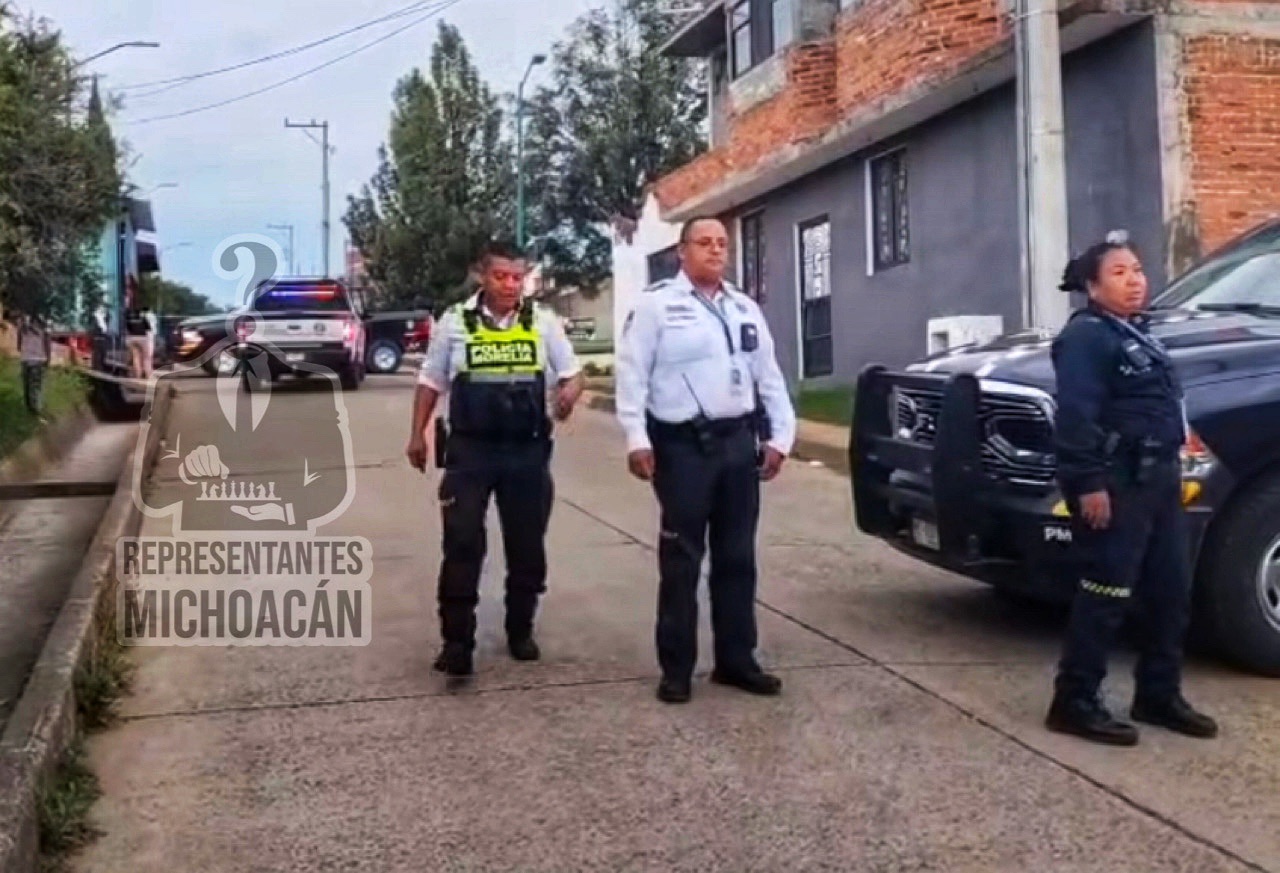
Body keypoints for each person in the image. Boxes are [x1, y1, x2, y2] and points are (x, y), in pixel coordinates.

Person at [614, 216, 797, 704]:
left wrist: (781, 437)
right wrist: (636, 438)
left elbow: (769, 375)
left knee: (737, 557)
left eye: (722, 244)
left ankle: (736, 660)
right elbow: (632, 376)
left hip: (738, 442)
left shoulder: (743, 307)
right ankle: (676, 669)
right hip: (682, 447)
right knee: (682, 560)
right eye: (704, 243)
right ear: (682, 251)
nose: (716, 251)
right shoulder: (656, 306)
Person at [1046, 230, 1218, 746]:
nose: (1134, 281)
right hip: (1116, 481)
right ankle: (1074, 700)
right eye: (1119, 273)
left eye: (1138, 271)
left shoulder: (1136, 332)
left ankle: (1158, 694)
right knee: (1106, 592)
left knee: (1170, 591)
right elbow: (1075, 417)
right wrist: (1088, 483)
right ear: (1092, 286)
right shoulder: (1086, 337)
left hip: (1159, 480)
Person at [406, 240, 584, 678]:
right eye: (500, 276)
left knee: (527, 545)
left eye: (517, 277)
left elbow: (572, 373)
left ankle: (520, 628)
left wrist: (568, 395)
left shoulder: (542, 322)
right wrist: (417, 434)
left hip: (526, 450)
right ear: (481, 276)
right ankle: (456, 643)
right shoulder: (456, 322)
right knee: (462, 542)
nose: (509, 285)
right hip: (470, 451)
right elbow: (431, 381)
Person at [17, 313, 51, 417]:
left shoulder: (23, 329)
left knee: (27, 386)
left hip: (25, 359)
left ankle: (29, 409)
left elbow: (18, 346)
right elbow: (47, 345)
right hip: (38, 360)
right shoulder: (44, 329)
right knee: (36, 386)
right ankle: (36, 410)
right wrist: (48, 359)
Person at [125, 303, 152, 379]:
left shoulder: (129, 319)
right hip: (143, 338)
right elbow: (149, 329)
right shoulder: (143, 318)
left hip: (132, 338)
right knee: (146, 357)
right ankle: (147, 374)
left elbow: (128, 329)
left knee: (136, 357)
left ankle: (138, 375)